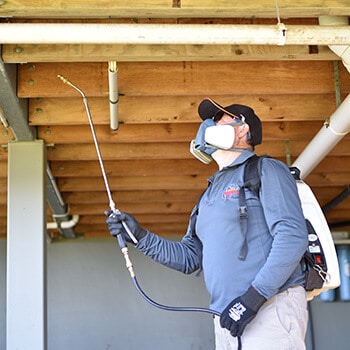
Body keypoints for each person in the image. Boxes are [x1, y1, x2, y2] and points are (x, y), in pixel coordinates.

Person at [106, 98, 309, 350]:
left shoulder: (266, 169)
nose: (208, 126)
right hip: (226, 317)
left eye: (218, 120)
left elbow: (292, 237)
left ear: (243, 130)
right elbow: (190, 257)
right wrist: (139, 236)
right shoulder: (209, 194)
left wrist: (254, 297)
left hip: (269, 307)